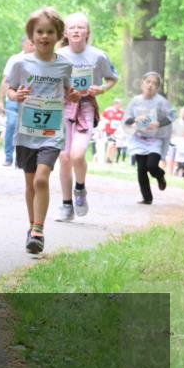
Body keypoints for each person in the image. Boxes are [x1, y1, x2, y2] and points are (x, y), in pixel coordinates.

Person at [5, 7, 75, 254]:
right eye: (39, 32)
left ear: (58, 36)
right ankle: (31, 227)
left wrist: (73, 95)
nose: (44, 36)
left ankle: (38, 229)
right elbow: (10, 90)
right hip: (26, 132)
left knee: (42, 179)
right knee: (30, 183)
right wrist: (17, 95)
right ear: (31, 35)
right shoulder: (21, 63)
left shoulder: (64, 66)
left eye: (50, 32)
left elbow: (68, 91)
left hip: (52, 133)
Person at [54, 13, 119, 222]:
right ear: (65, 32)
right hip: (63, 108)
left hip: (85, 107)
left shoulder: (98, 56)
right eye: (71, 27)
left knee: (78, 154)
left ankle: (80, 189)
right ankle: (66, 204)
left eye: (80, 27)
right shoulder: (58, 56)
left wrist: (101, 89)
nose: (75, 30)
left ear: (87, 32)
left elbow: (112, 78)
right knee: (64, 157)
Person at [123, 72, 175, 205]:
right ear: (142, 83)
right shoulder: (135, 101)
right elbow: (126, 119)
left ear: (157, 87)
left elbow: (172, 115)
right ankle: (147, 198)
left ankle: (160, 175)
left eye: (154, 83)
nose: (150, 85)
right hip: (139, 139)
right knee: (141, 170)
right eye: (148, 82)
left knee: (151, 166)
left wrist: (159, 123)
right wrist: (135, 119)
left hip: (155, 139)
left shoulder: (161, 102)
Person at [0, 36, 35, 166]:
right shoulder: (15, 59)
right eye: (30, 44)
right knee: (11, 124)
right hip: (13, 97)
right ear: (23, 45)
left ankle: (21, 159)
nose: (33, 47)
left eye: (34, 44)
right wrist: (1, 101)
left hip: (29, 101)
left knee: (24, 128)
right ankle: (8, 156)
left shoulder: (39, 60)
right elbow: (5, 81)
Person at [166, 107, 184, 175]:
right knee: (171, 157)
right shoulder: (176, 122)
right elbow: (171, 132)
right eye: (183, 113)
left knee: (183, 159)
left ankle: (181, 173)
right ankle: (170, 172)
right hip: (175, 142)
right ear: (180, 113)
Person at [101, 97, 125, 163]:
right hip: (109, 130)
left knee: (115, 145)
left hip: (117, 132)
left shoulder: (122, 112)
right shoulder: (108, 110)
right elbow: (102, 117)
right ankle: (107, 158)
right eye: (119, 104)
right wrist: (106, 121)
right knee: (110, 144)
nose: (120, 106)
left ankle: (111, 159)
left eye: (121, 104)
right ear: (115, 104)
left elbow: (123, 120)